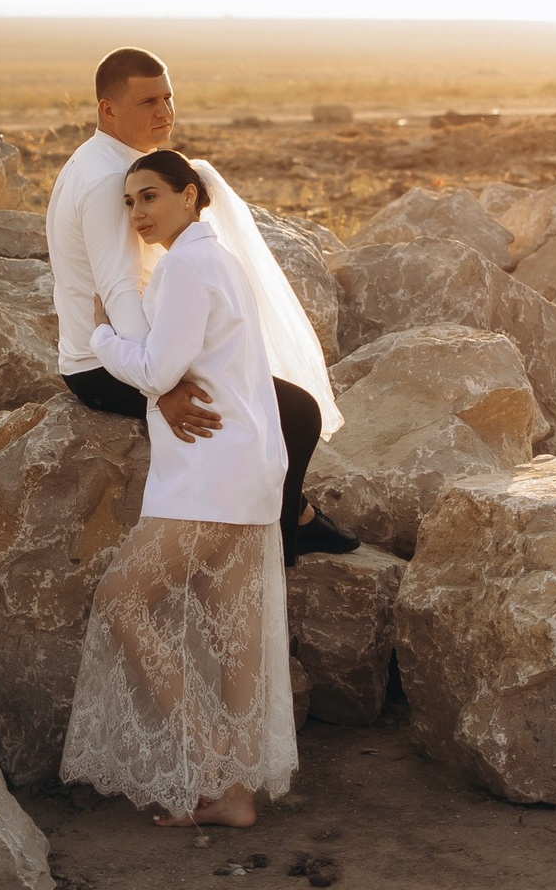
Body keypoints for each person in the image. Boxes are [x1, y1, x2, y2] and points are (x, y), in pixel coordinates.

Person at [59, 150, 297, 827]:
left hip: (207, 472)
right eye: (130, 201)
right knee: (235, 640)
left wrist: (101, 334)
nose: (138, 212)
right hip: (249, 472)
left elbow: (160, 367)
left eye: (151, 196)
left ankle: (210, 746)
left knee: (122, 599)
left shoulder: (188, 265)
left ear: (190, 195)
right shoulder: (219, 260)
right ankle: (237, 796)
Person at [47, 46, 356, 560]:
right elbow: (120, 288)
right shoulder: (107, 180)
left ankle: (291, 514)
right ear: (108, 110)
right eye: (147, 101)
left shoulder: (103, 160)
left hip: (129, 346)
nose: (164, 112)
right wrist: (159, 386)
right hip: (103, 365)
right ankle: (282, 536)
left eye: (168, 97)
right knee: (297, 414)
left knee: (268, 390)